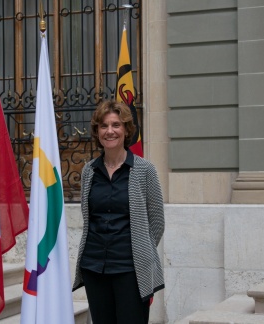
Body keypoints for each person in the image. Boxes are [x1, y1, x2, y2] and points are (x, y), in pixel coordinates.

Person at [72, 100, 165, 323]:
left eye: (116, 125)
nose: (110, 131)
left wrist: (140, 250)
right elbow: (89, 218)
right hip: (94, 267)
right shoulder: (89, 170)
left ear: (126, 130)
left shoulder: (145, 170)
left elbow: (157, 222)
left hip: (131, 270)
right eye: (103, 126)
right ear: (97, 131)